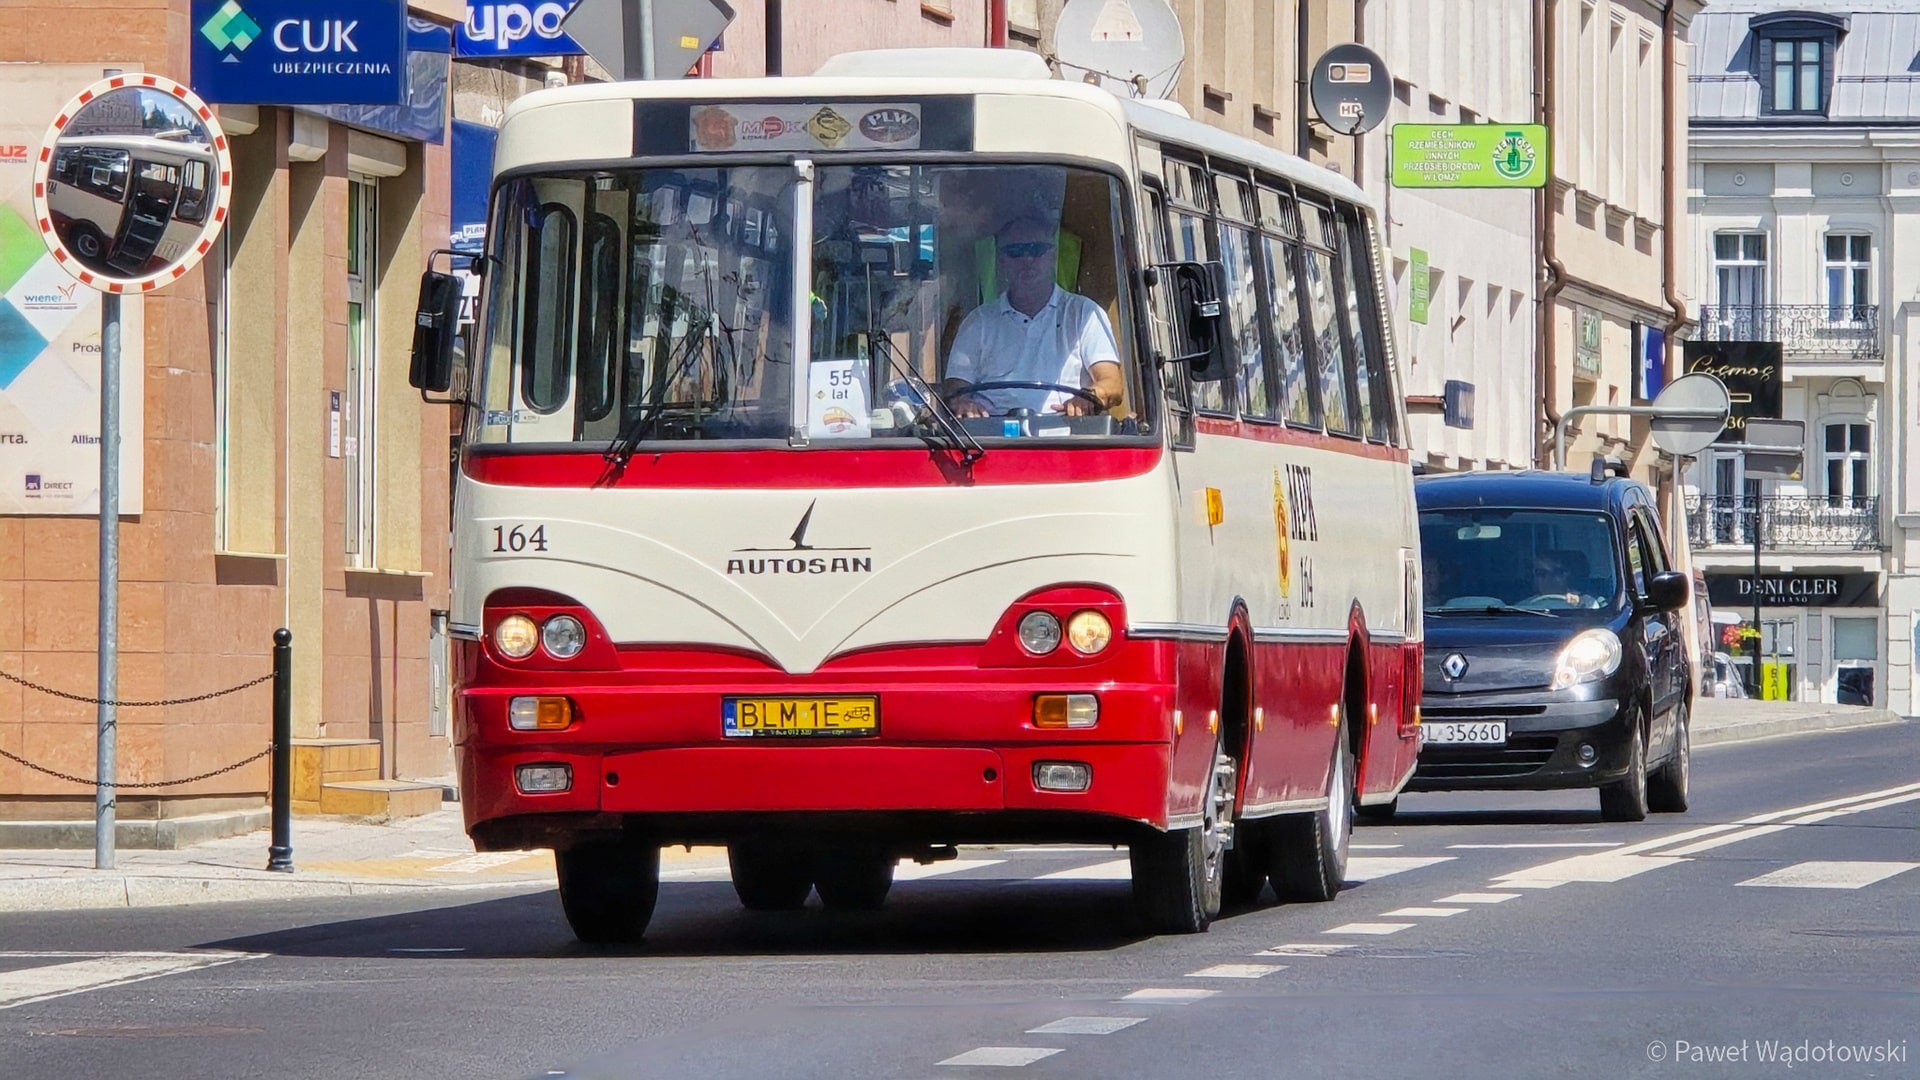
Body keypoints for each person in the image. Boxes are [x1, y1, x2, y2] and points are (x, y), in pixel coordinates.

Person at [942, 215, 1125, 418]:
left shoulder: (1084, 313)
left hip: (1068, 436)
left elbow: (1112, 384)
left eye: (1036, 250)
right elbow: (954, 389)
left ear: (1052, 255)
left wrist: (1088, 398)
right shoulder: (978, 321)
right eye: (1015, 251)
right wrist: (963, 403)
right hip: (989, 438)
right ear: (1001, 260)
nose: (1027, 260)